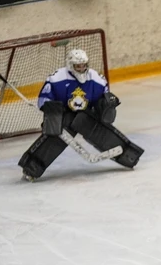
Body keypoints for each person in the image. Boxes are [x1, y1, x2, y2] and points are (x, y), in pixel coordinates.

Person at [18, 48, 143, 181]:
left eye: (84, 65)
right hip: (65, 116)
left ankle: (129, 156)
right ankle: (31, 168)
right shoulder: (56, 78)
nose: (82, 68)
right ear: (70, 65)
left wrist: (106, 106)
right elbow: (43, 100)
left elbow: (103, 100)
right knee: (56, 135)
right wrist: (52, 112)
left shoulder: (97, 79)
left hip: (86, 115)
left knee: (100, 131)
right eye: (78, 66)